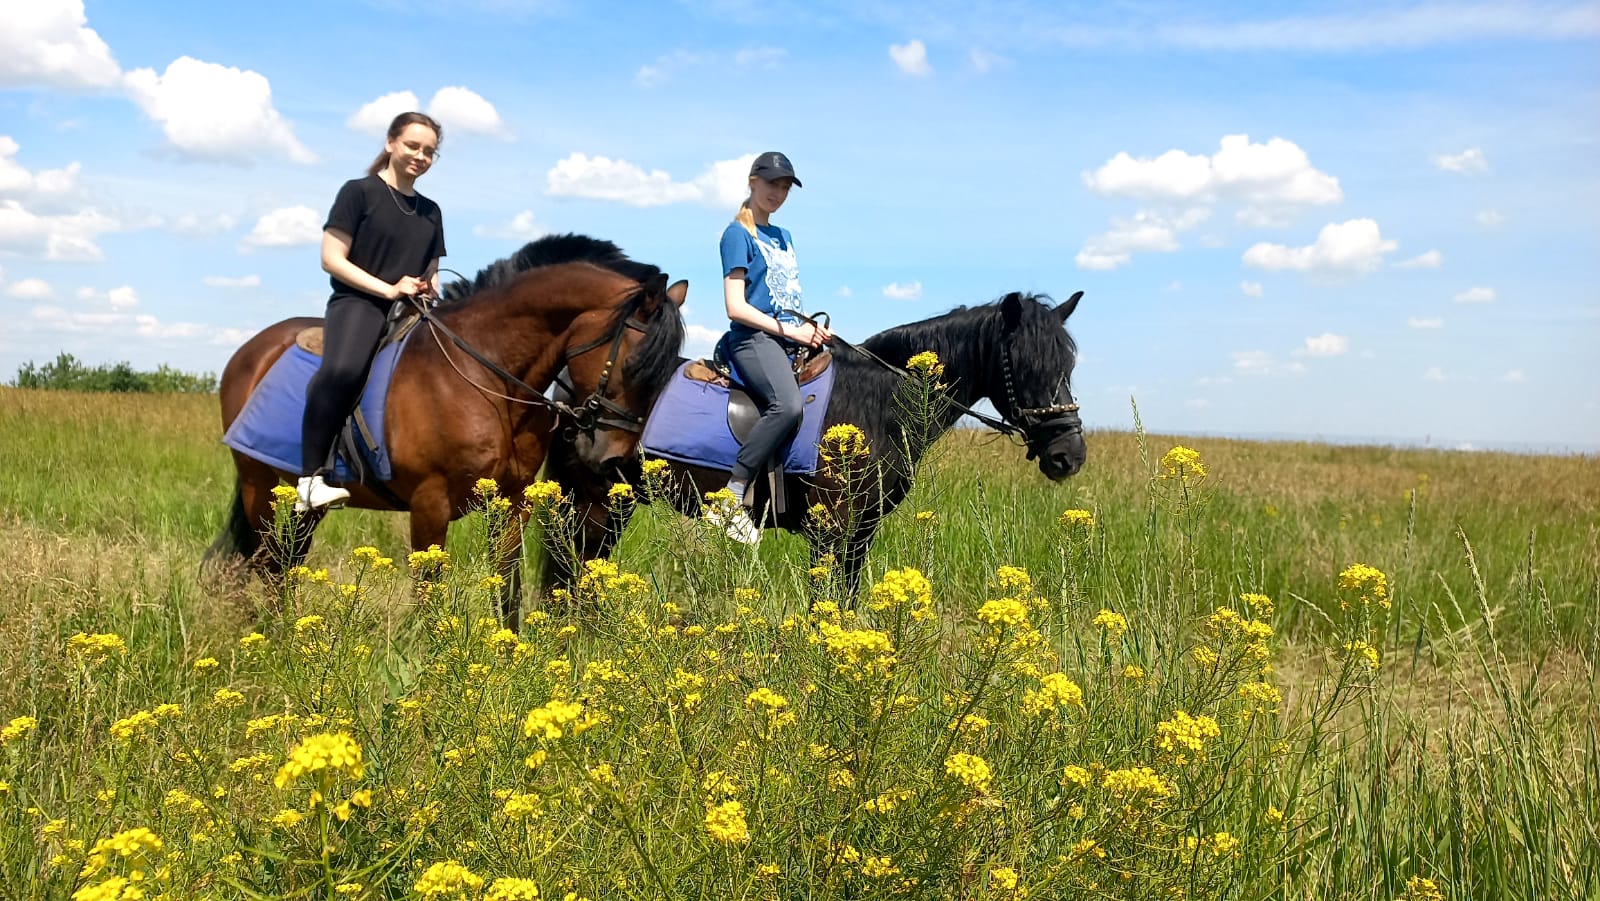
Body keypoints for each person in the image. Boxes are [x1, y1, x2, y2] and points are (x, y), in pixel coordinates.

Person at [296, 111, 446, 512]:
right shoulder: (358, 192)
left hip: (413, 308)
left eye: (429, 151)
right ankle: (310, 480)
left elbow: (432, 269)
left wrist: (428, 287)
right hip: (360, 302)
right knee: (343, 370)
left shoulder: (431, 211)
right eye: (412, 145)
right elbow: (332, 258)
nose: (420, 156)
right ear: (390, 143)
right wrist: (389, 289)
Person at [712, 151, 833, 543]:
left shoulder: (784, 237)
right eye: (771, 184)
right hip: (752, 339)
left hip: (787, 336)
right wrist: (790, 331)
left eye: (784, 187)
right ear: (753, 181)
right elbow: (736, 307)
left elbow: (786, 297)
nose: (778, 193)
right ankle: (731, 495)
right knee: (788, 406)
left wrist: (809, 328)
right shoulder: (737, 234)